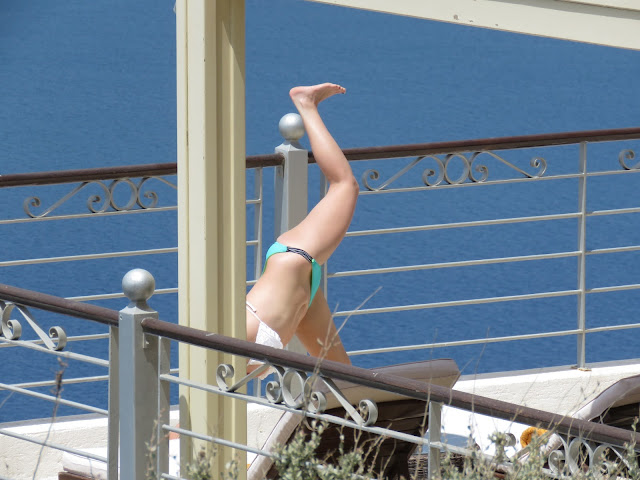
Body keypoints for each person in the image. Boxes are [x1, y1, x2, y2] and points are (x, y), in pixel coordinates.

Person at [246, 83, 358, 368]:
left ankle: (306, 104)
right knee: (344, 379)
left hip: (293, 266)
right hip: (296, 281)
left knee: (345, 185)